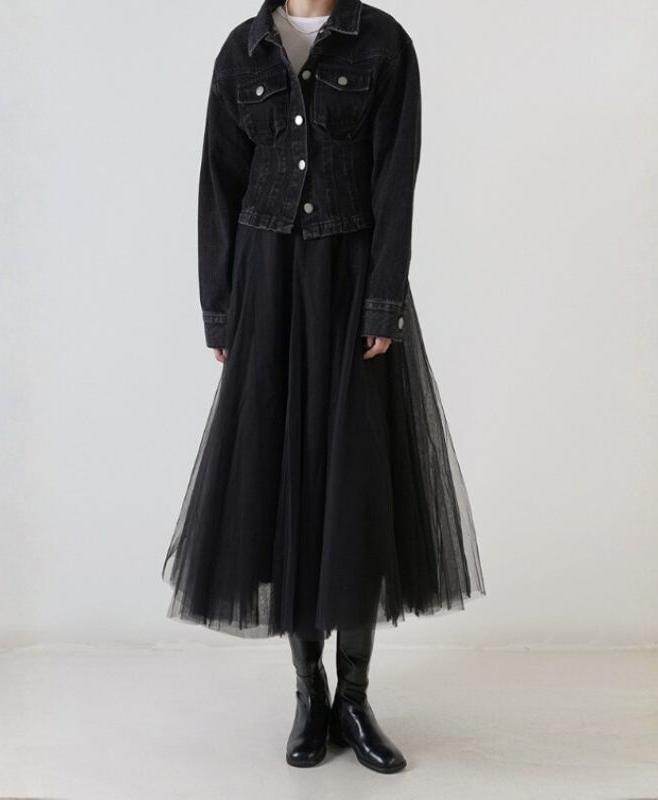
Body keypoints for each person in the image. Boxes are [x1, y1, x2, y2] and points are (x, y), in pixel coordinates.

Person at [162, 0, 486, 774]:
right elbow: (218, 185)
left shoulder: (383, 44)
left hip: (349, 285)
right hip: (268, 288)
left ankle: (355, 698)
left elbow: (395, 179)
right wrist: (222, 311)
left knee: (356, 491)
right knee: (287, 490)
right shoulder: (242, 52)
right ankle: (309, 694)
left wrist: (383, 302)